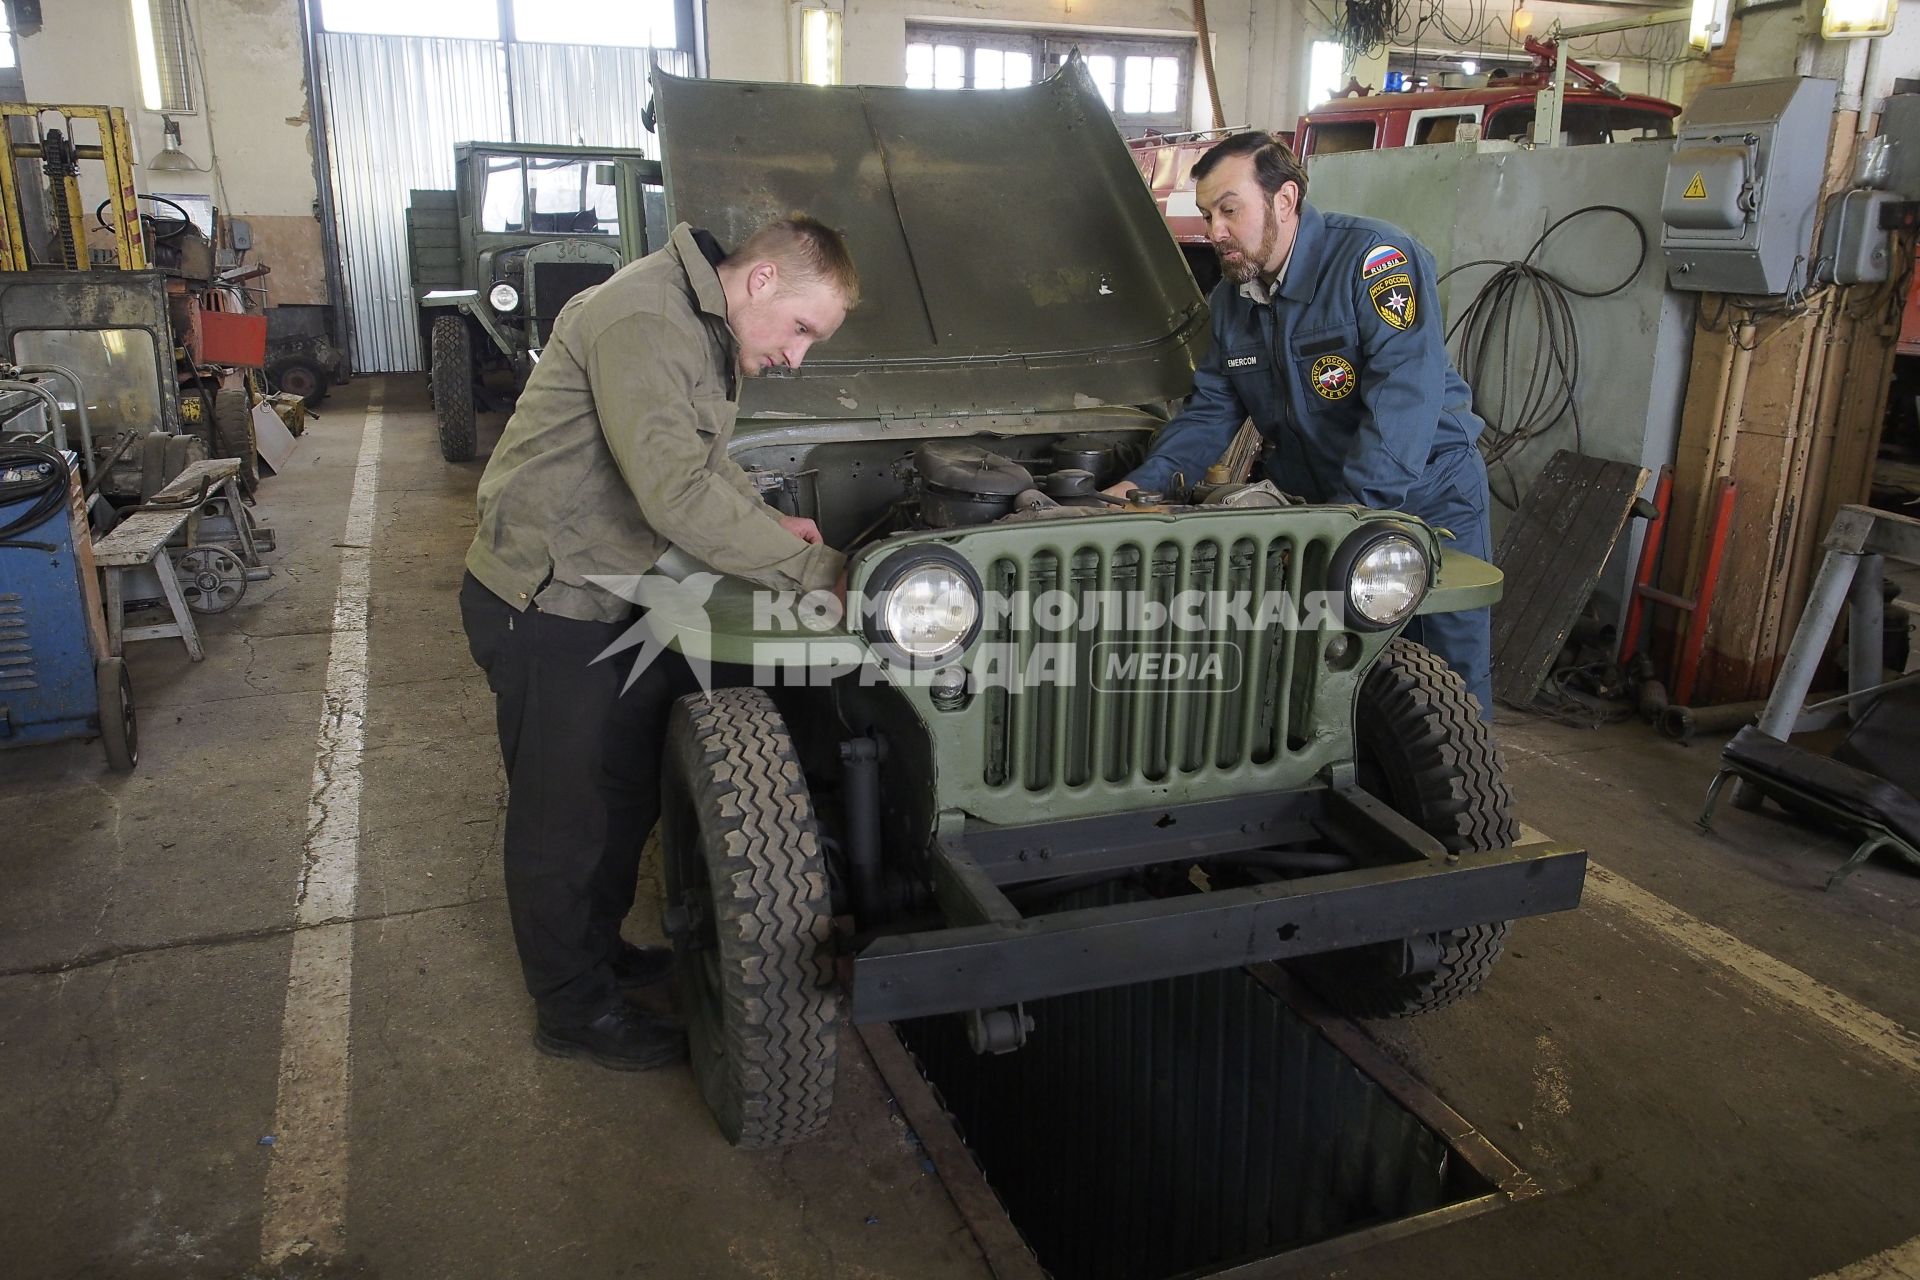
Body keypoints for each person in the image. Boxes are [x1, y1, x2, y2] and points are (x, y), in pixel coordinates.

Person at [459, 214, 859, 1070]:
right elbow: (675, 493)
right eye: (800, 329)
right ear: (760, 283)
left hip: (610, 590)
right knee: (559, 819)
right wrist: (817, 570)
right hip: (546, 598)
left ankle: (596, 955)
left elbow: (703, 462)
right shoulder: (646, 318)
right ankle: (570, 1009)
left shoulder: (699, 323)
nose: (797, 357)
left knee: (619, 786)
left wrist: (766, 524)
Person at [1105, 131, 1495, 715]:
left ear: (1284, 200)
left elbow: (1403, 401)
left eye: (1228, 210)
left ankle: (1457, 800)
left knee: (1445, 679)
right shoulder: (1233, 303)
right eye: (1208, 214)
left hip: (1422, 498)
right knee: (1331, 669)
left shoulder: (1374, 262)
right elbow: (1212, 409)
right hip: (1323, 507)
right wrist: (1143, 486)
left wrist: (1348, 517)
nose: (1214, 231)